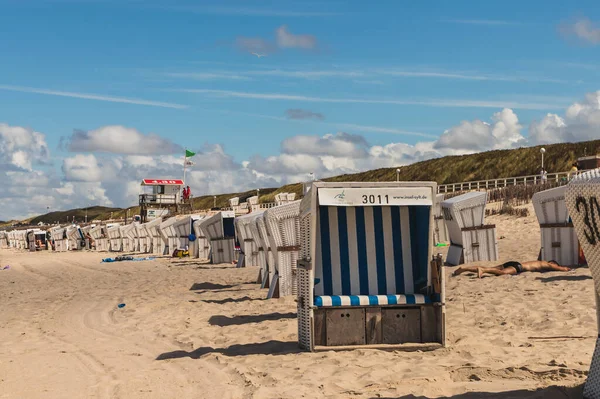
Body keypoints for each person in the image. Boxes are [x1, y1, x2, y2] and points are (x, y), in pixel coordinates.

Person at [452, 260, 571, 278]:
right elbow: (558, 268)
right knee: (501, 273)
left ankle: (465, 269)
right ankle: (484, 271)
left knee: (492, 267)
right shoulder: (546, 263)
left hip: (514, 262)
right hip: (518, 267)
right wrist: (564, 268)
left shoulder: (538, 261)